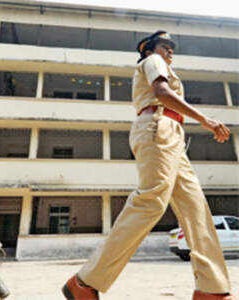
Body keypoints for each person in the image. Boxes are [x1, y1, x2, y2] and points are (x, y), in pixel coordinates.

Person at [62, 31, 236, 300]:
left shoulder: (162, 64)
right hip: (158, 126)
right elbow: (161, 92)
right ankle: (84, 282)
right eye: (165, 47)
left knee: (196, 208)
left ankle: (211, 289)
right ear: (148, 50)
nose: (170, 52)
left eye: (171, 49)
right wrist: (205, 119)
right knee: (151, 200)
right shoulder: (152, 61)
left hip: (173, 133)